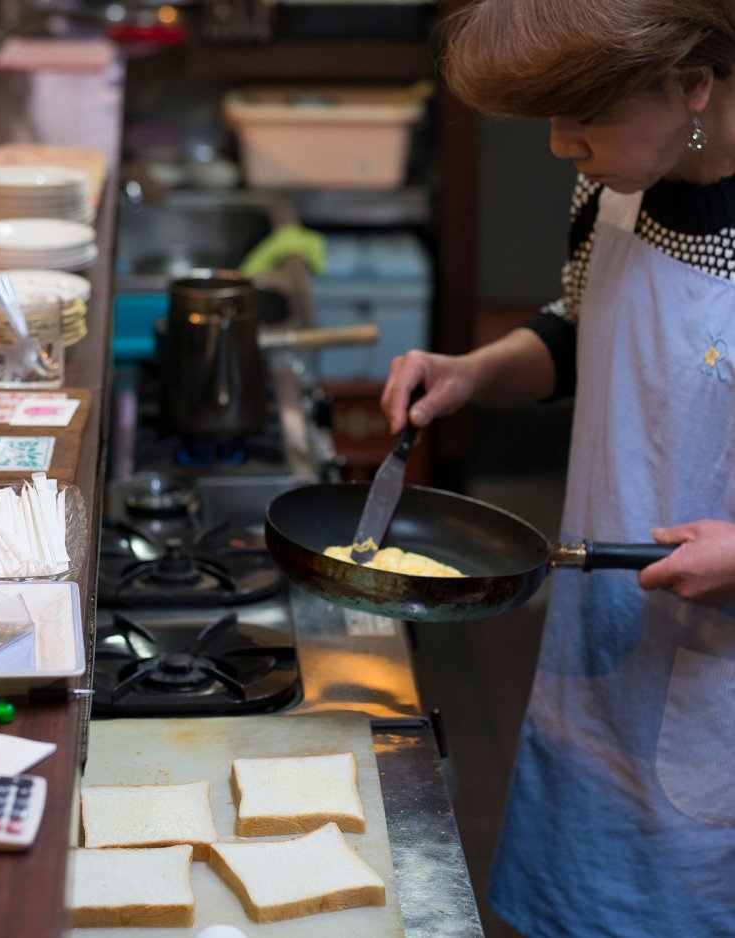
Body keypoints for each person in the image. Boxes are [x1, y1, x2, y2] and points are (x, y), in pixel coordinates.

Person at [380, 1, 735, 934]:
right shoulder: (615, 188)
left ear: (693, 84)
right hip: (605, 645)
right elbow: (583, 331)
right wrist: (472, 373)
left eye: (585, 116)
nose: (559, 147)